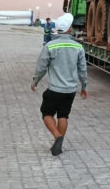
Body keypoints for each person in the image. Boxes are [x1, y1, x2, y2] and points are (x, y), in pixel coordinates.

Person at [31, 13, 88, 156]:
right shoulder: (78, 47)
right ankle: (58, 145)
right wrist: (84, 87)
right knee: (63, 116)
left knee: (47, 113)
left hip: (54, 89)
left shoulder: (50, 46)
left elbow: (41, 67)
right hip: (70, 91)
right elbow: (82, 69)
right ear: (69, 29)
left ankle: (57, 137)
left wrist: (35, 81)